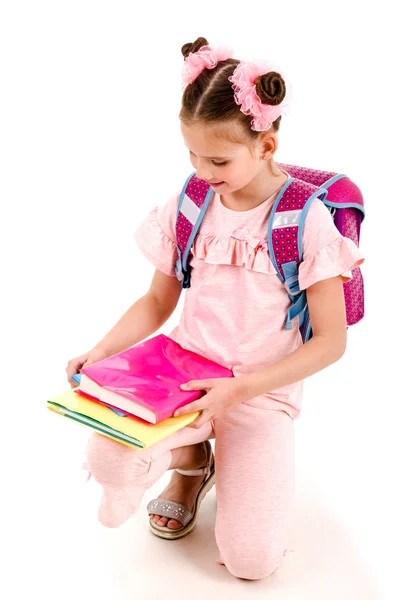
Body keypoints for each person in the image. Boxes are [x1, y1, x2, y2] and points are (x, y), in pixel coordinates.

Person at [66, 37, 364, 581]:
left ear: (267, 146)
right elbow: (159, 299)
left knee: (251, 564)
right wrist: (104, 349)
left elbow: (331, 341)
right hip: (181, 375)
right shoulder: (193, 201)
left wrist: (240, 391)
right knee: (106, 457)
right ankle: (192, 462)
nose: (202, 171)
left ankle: (213, 459)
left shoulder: (305, 221)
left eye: (219, 159)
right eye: (192, 154)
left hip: (259, 392)